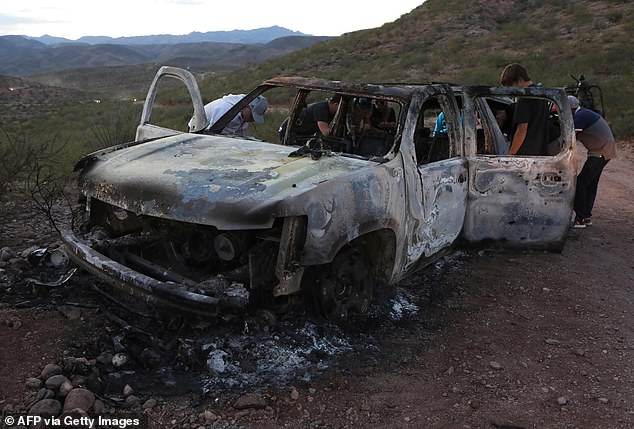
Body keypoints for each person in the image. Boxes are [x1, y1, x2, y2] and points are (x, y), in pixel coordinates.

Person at [568, 95, 617, 228]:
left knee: (581, 183)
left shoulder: (580, 117)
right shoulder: (584, 113)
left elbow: (571, 137)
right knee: (591, 184)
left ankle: (580, 219)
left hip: (600, 151)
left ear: (570, 109)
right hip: (604, 150)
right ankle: (586, 216)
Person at [500, 63, 550, 156]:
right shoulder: (542, 95)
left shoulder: (524, 98)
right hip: (540, 153)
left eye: (511, 88)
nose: (512, 93)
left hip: (524, 156)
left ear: (519, 80)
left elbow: (521, 130)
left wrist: (511, 154)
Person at [188, 94, 268, 135]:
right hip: (197, 132)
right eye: (252, 116)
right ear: (247, 106)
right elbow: (213, 133)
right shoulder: (226, 108)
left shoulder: (242, 115)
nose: (252, 120)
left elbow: (239, 135)